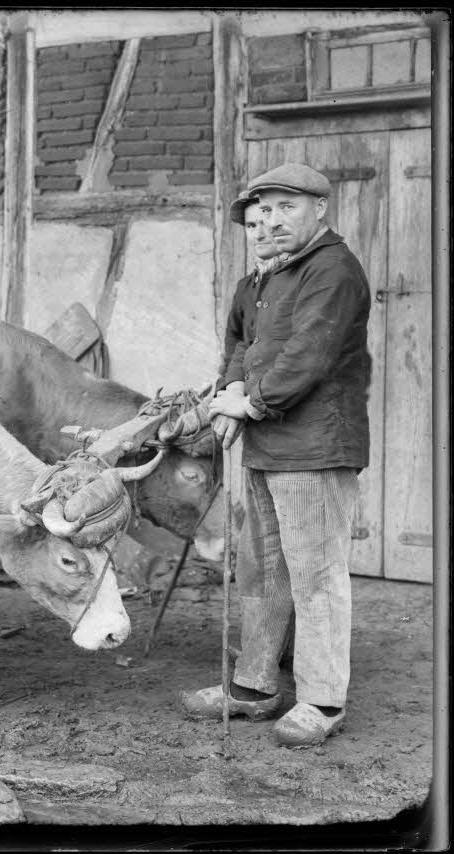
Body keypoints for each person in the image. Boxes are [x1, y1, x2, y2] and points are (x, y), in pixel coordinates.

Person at [181, 163, 372, 749]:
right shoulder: (262, 279)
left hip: (316, 445)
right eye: (263, 211)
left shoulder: (332, 270)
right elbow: (241, 344)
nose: (271, 222)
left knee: (316, 575)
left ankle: (322, 700)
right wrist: (230, 391)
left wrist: (250, 403)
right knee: (263, 569)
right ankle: (255, 685)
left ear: (320, 209)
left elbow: (308, 354)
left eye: (288, 207)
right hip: (266, 445)